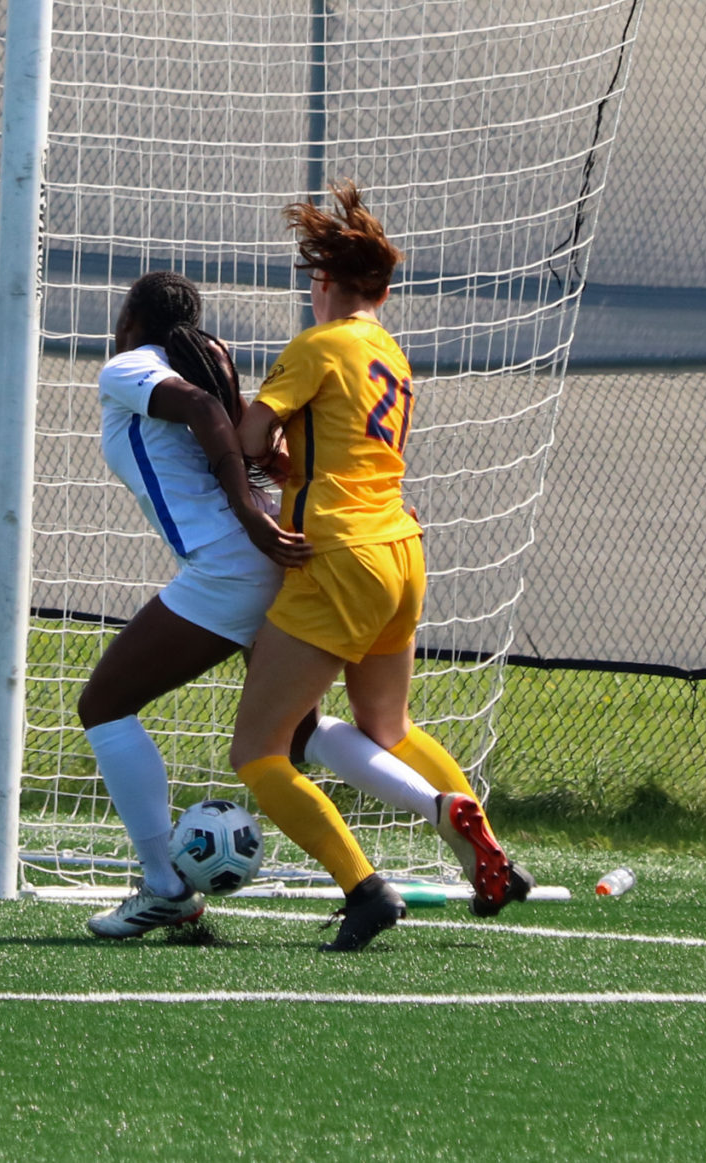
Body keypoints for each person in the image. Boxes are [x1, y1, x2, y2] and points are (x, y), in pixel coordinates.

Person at [76, 270, 500, 939]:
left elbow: (208, 416)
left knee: (104, 705)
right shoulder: (207, 353)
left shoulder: (132, 363)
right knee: (301, 730)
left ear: (131, 319)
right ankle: (442, 807)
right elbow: (240, 433)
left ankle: (164, 885)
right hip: (276, 556)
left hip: (229, 563)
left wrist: (246, 510)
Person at [228, 181, 530, 953]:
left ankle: (365, 889)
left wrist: (270, 451)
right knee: (387, 726)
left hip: (338, 555)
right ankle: (484, 849)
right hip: (401, 548)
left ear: (322, 282)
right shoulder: (390, 353)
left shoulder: (316, 346)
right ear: (385, 290)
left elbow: (248, 438)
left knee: (260, 749)